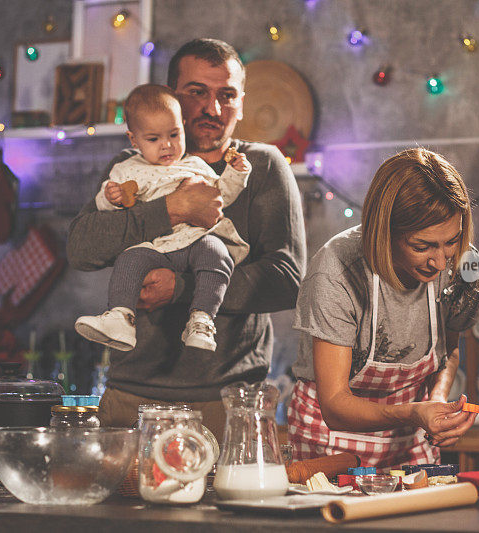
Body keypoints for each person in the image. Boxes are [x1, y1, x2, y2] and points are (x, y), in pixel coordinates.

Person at [66, 39, 306, 440]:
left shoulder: (262, 166)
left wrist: (182, 288)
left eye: (226, 95)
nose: (213, 109)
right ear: (171, 96)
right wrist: (173, 209)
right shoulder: (130, 167)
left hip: (228, 402)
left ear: (242, 103)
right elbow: (81, 248)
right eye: (197, 92)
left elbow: (288, 280)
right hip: (130, 398)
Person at [287, 148, 479, 467]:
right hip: (332, 439)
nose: (441, 261)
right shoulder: (337, 271)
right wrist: (415, 413)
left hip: (411, 437)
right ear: (384, 232)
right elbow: (335, 405)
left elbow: (448, 350)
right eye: (422, 246)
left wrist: (436, 399)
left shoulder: (465, 264)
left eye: (452, 241)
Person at [75, 84, 251, 353]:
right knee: (129, 259)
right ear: (134, 141)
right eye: (154, 139)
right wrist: (110, 197)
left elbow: (221, 195)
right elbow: (104, 209)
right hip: (155, 246)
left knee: (217, 253)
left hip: (194, 239)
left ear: (182, 125)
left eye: (173, 134)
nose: (167, 145)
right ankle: (120, 317)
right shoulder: (126, 169)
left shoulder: (194, 165)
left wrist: (236, 173)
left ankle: (202, 318)